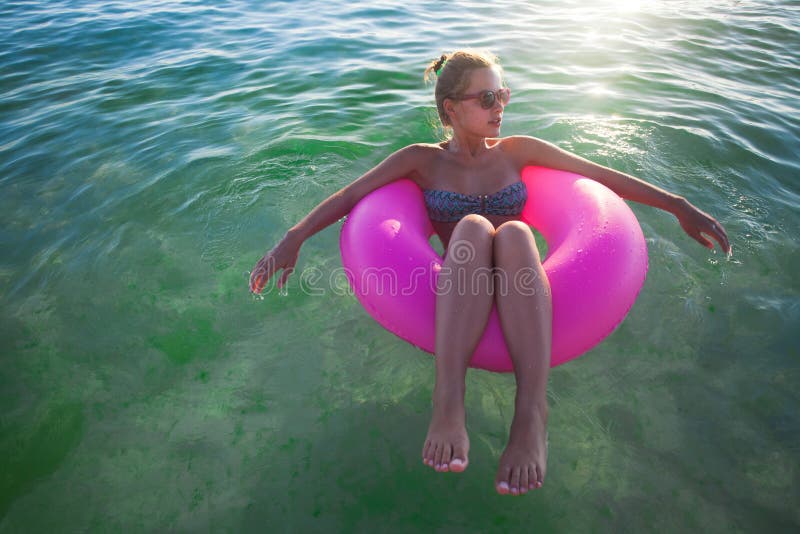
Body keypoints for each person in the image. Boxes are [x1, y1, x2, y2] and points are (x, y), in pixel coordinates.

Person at [249, 50, 731, 496]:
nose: (499, 106)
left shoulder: (518, 151)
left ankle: (530, 414)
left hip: (520, 282)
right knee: (476, 227)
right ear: (450, 108)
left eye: (503, 94)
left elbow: (601, 177)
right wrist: (292, 238)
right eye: (486, 98)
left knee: (517, 235)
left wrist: (677, 205)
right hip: (462, 280)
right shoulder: (421, 161)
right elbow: (351, 197)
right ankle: (448, 399)